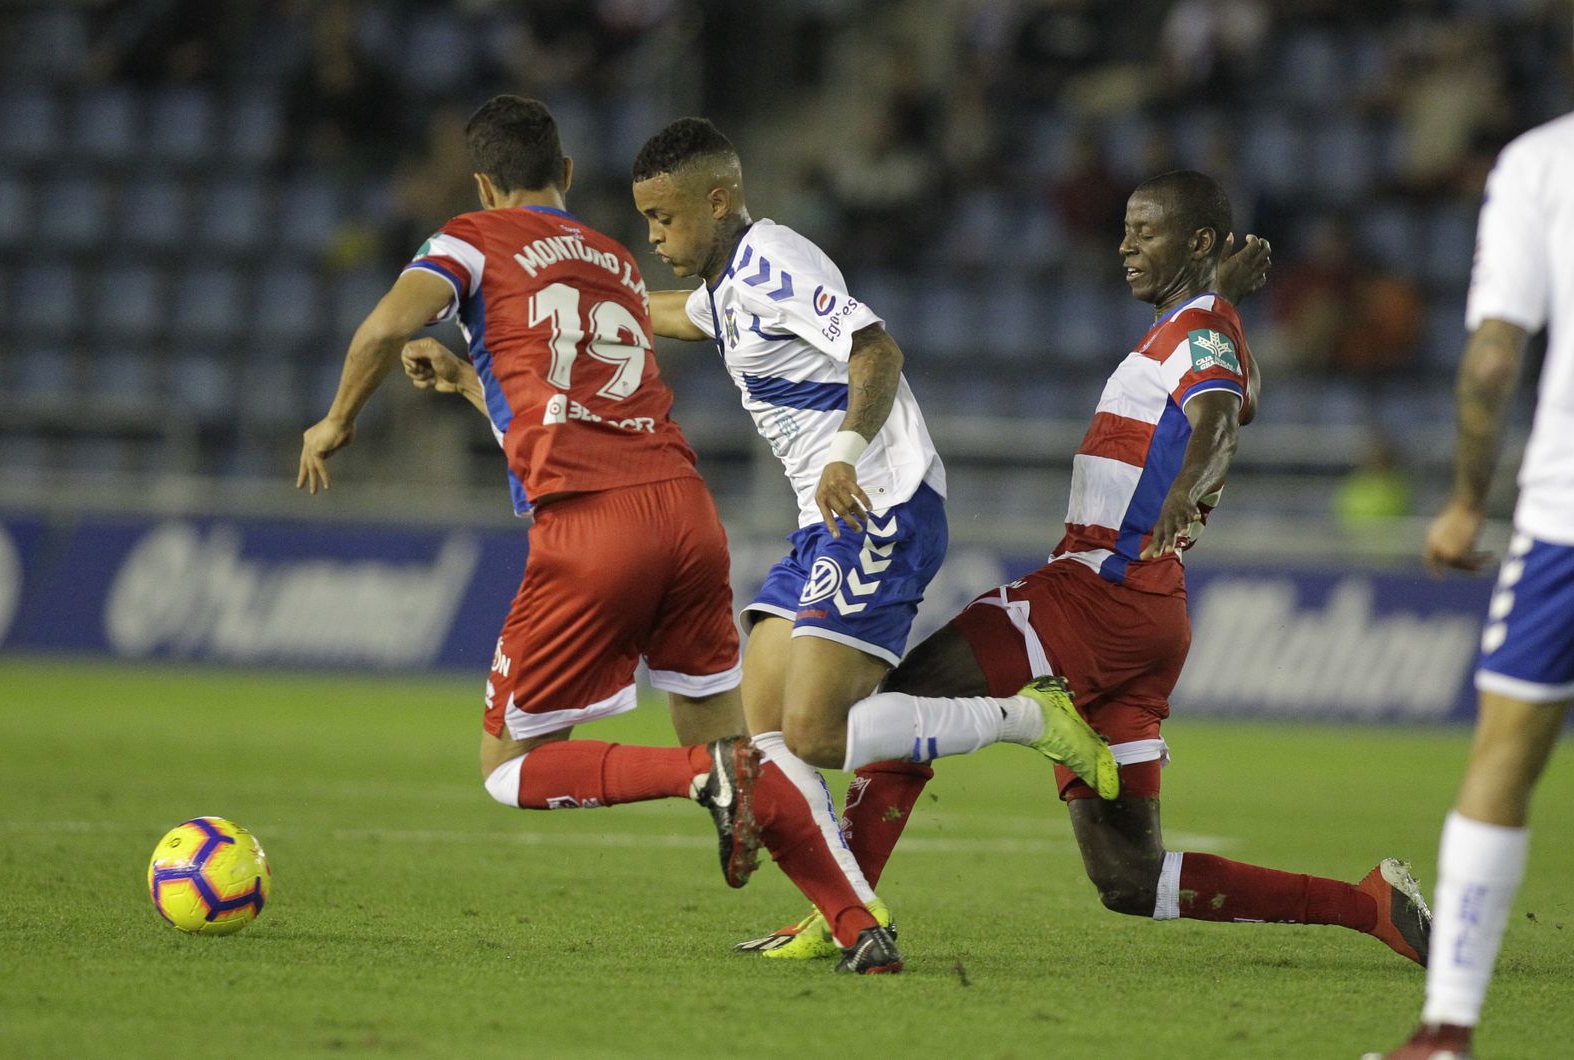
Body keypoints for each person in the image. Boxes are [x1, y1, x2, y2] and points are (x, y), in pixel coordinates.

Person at [739, 172, 1436, 970]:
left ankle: (842, 913)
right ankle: (1368, 905)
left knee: (904, 711)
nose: (1125, 245)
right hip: (1150, 616)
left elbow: (1214, 417)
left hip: (1093, 593)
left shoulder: (1200, 335)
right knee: (1131, 878)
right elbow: (1229, 385)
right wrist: (1221, 297)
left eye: (1146, 230)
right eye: (1126, 229)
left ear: (1199, 243)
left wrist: (1183, 488)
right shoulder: (1206, 326)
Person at [629, 117, 1117, 973]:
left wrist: (844, 454)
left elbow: (876, 348)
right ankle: (844, 907)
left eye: (665, 218)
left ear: (719, 200)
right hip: (826, 521)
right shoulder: (727, 287)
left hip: (877, 502)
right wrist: (584, 294)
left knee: (815, 735)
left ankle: (1029, 716)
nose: (655, 236)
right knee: (764, 730)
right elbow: (677, 314)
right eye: (646, 222)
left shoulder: (778, 260)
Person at [297, 95, 767, 893]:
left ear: (483, 184)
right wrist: (467, 381)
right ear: (569, 173)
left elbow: (380, 330)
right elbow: (579, 412)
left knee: (512, 767)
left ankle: (700, 774)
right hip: (686, 512)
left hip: (591, 529)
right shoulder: (615, 257)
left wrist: (336, 420)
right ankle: (838, 905)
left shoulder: (472, 238)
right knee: (737, 744)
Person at [1368, 109, 1574, 1060]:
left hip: (1566, 514)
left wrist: (1462, 503)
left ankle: (1447, 1031)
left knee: (1504, 753)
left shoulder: (1542, 162)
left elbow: (1495, 356)